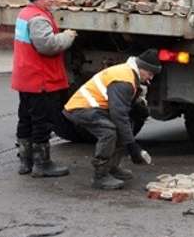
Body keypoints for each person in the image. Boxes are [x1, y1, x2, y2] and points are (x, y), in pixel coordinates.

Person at [62, 49, 160, 190]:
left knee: (124, 127)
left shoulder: (130, 75)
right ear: (141, 68)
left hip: (95, 107)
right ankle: (100, 176)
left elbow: (123, 111)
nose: (150, 79)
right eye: (150, 74)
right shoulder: (124, 80)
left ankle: (112, 167)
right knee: (109, 131)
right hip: (81, 108)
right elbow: (119, 115)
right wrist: (133, 147)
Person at [12, 0, 77, 178]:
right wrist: (68, 36)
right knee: (42, 121)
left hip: (26, 77)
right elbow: (47, 46)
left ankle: (26, 161)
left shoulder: (24, 13)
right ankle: (42, 163)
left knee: (26, 118)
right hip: (40, 79)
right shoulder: (38, 18)